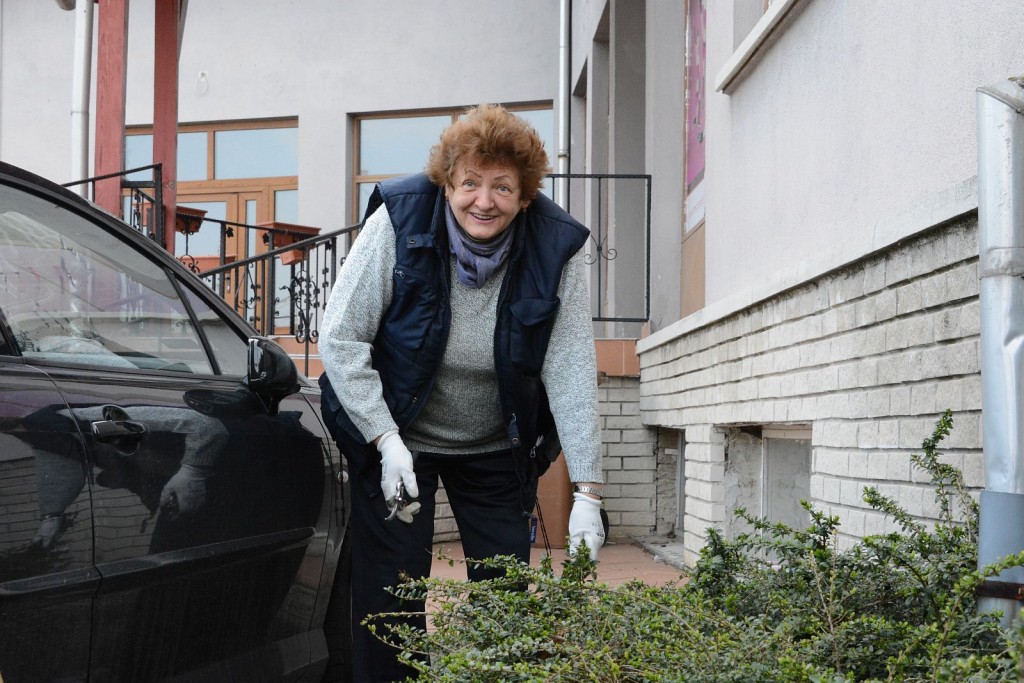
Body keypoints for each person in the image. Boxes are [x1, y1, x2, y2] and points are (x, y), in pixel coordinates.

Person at [318, 103, 604, 681]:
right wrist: (384, 439)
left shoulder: (557, 247)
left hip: (497, 445)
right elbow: (341, 338)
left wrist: (589, 492)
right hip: (399, 440)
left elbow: (570, 366)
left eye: (503, 187)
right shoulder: (399, 219)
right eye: (470, 182)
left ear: (525, 196)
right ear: (446, 184)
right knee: (391, 594)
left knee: (503, 598)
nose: (484, 200)